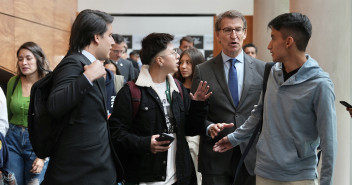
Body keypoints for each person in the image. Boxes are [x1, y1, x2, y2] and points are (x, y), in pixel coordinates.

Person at [214, 12, 337, 185]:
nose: (269, 46)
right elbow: (258, 113)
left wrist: (326, 182)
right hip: (264, 171)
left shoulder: (320, 85)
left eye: (273, 38)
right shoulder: (273, 73)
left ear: (288, 42)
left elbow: (329, 141)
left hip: (299, 177)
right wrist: (234, 138)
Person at [109, 33, 211, 185]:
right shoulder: (131, 92)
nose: (178, 56)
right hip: (145, 178)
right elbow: (116, 134)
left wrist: (199, 105)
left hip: (179, 176)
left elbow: (190, 129)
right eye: (173, 52)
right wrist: (145, 143)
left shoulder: (178, 88)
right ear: (160, 60)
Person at [42, 9, 124, 185]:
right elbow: (55, 105)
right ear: (96, 37)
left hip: (93, 168)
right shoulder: (73, 63)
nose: (112, 41)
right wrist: (87, 77)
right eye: (109, 35)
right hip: (79, 172)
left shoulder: (87, 63)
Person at [191, 10, 265, 185]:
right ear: (218, 35)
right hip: (216, 156)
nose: (234, 35)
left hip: (251, 156)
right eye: (227, 30)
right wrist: (209, 127)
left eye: (238, 30)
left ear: (245, 33)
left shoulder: (263, 69)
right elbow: (194, 115)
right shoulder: (203, 70)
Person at [6, 42, 50, 185]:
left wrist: (43, 156)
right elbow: (6, 116)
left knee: (34, 183)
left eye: (28, 58)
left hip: (37, 141)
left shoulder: (49, 84)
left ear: (38, 59)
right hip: (12, 139)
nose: (24, 62)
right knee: (13, 182)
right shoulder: (13, 82)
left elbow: (54, 121)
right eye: (20, 59)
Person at [178, 48, 205, 185]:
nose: (183, 66)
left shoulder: (203, 88)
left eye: (188, 62)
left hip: (199, 141)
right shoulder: (174, 86)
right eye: (181, 62)